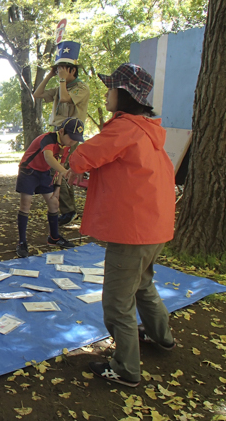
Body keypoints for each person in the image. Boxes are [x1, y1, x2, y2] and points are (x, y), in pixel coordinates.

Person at [66, 63, 176, 387]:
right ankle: (162, 337)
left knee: (117, 302)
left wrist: (72, 158)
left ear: (124, 94)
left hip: (133, 230)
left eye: (111, 87)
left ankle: (126, 368)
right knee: (142, 284)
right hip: (155, 227)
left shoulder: (124, 128)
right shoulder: (146, 129)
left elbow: (81, 157)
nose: (107, 92)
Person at [33, 41, 90, 226]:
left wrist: (63, 80)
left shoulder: (81, 88)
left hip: (71, 135)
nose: (59, 72)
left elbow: (66, 99)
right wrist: (49, 74)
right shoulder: (59, 86)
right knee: (56, 171)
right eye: (57, 69)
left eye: (63, 69)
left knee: (62, 170)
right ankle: (66, 209)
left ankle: (69, 211)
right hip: (57, 133)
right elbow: (37, 94)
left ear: (73, 70)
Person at [14, 118, 83, 257]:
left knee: (54, 203)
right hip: (28, 171)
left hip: (45, 173)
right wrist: (65, 172)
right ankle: (22, 241)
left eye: (76, 139)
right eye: (71, 138)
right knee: (26, 205)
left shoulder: (66, 146)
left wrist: (57, 187)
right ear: (62, 131)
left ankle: (54, 237)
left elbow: (60, 165)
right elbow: (49, 158)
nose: (73, 142)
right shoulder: (48, 139)